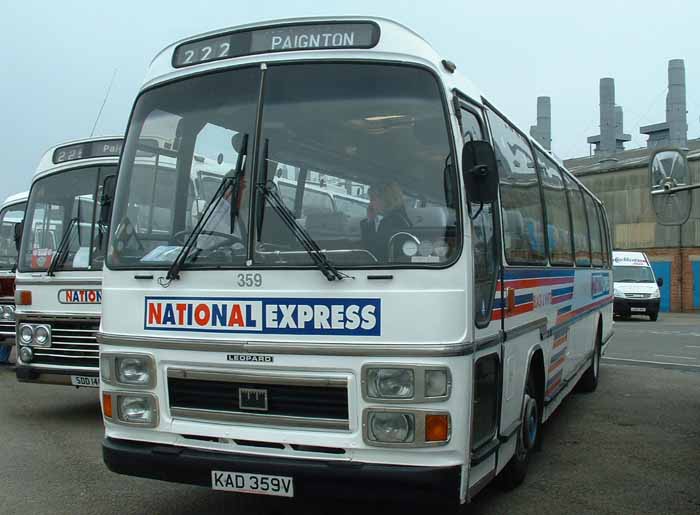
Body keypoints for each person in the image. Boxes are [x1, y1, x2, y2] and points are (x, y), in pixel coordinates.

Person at [375, 182, 412, 260]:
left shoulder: (388, 222)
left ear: (386, 199)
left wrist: (369, 222)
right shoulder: (403, 219)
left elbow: (376, 254)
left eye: (375, 198)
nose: (371, 203)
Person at [360, 186, 383, 259]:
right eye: (370, 199)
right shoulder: (365, 223)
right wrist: (370, 219)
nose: (370, 204)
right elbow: (366, 247)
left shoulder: (394, 220)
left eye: (373, 199)